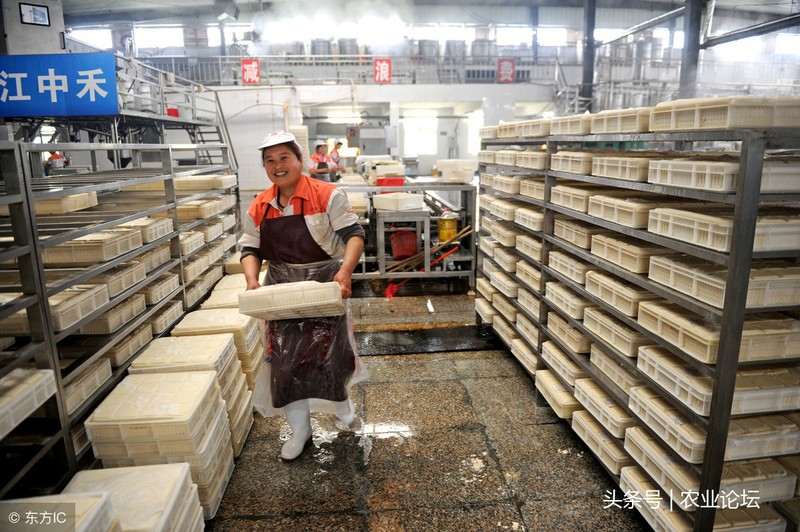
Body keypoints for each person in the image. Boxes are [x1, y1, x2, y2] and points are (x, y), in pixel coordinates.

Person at [239, 131, 367, 462]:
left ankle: (343, 406)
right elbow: (250, 248)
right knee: (285, 363)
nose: (278, 166)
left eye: (284, 158)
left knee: (330, 355)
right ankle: (300, 432)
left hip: (325, 283)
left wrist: (345, 272)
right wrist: (252, 280)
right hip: (281, 288)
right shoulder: (260, 204)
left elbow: (354, 236)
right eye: (270, 160)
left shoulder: (327, 194)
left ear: (300, 160)